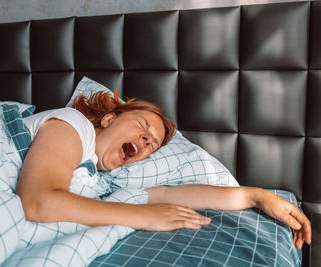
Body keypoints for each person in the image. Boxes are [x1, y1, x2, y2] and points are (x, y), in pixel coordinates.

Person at [16, 90, 311, 250]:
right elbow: (37, 201)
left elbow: (171, 193)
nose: (145, 142)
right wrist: (142, 217)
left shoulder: (101, 181)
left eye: (152, 145)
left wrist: (255, 197)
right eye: (143, 127)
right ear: (107, 120)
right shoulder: (73, 124)